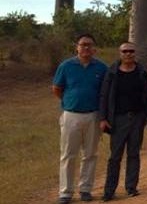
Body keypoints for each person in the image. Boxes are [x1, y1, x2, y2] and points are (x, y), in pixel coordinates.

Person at [53, 33, 108, 204]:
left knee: (90, 154)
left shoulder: (101, 68)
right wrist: (69, 101)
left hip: (93, 115)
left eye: (89, 45)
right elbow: (57, 88)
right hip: (71, 115)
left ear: (95, 48)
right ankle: (66, 192)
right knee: (68, 154)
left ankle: (85, 189)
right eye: (83, 44)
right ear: (76, 47)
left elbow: (104, 92)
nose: (86, 48)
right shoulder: (66, 66)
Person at [98, 42, 147, 202]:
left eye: (131, 51)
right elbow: (104, 96)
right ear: (120, 53)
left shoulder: (142, 72)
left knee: (134, 154)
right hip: (118, 119)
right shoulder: (112, 72)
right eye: (125, 51)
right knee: (115, 156)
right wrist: (103, 118)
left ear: (135, 53)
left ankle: (131, 187)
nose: (128, 54)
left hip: (137, 117)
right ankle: (109, 190)